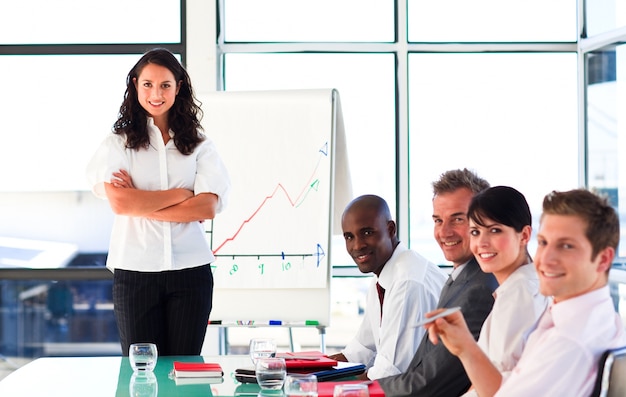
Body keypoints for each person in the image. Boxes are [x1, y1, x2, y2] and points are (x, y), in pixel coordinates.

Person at [85, 48, 231, 356]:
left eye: (165, 84)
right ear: (136, 85)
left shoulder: (200, 145)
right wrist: (181, 196)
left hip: (191, 273)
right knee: (142, 373)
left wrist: (144, 203)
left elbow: (207, 208)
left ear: (178, 88)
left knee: (184, 371)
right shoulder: (118, 144)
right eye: (148, 84)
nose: (156, 93)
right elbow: (122, 204)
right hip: (134, 272)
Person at [425, 188, 626, 397]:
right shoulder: (595, 319)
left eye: (566, 246)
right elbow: (504, 389)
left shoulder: (567, 342)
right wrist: (466, 347)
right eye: (543, 243)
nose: (545, 259)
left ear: (603, 259)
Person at [378, 168, 498, 396]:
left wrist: (355, 390)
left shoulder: (479, 290)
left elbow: (427, 385)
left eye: (457, 219)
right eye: (438, 220)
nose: (444, 232)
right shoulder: (462, 278)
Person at [328, 195, 447, 380]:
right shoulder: (381, 278)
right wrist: (315, 372)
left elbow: (389, 373)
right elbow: (362, 349)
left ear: (390, 229)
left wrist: (331, 389)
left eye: (367, 232)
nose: (357, 245)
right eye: (349, 237)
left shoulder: (407, 281)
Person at [463, 186, 550, 396]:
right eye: (475, 232)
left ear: (524, 235)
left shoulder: (519, 296)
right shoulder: (523, 286)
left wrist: (463, 346)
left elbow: (496, 388)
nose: (481, 243)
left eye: (495, 230)